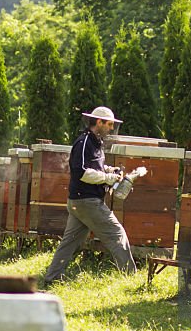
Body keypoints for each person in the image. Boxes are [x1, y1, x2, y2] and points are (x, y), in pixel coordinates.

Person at [43, 106, 137, 283]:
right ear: (98, 122)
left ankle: (52, 277)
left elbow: (94, 168)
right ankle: (131, 279)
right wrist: (109, 178)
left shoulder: (95, 142)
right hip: (87, 201)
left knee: (70, 241)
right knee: (117, 233)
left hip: (79, 201)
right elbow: (83, 172)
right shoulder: (85, 142)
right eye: (109, 124)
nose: (111, 128)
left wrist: (110, 170)